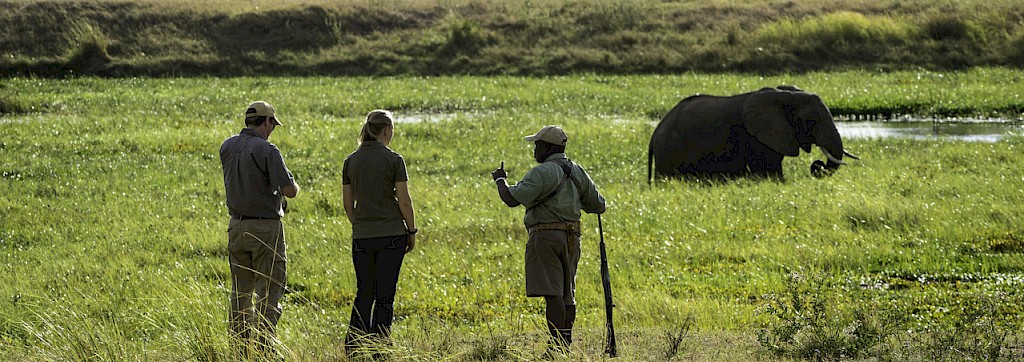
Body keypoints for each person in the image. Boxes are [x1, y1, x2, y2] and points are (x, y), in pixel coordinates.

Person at [491, 125, 606, 354]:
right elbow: (599, 205)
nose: (534, 150)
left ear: (547, 147)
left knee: (553, 294)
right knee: (567, 294)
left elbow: (512, 199)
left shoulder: (541, 172)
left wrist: (500, 180)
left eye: (537, 145)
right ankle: (566, 345)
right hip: (573, 237)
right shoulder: (577, 171)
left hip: (545, 236)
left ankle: (556, 349)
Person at [220, 101, 300, 358]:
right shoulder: (267, 149)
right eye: (272, 125)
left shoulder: (227, 146)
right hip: (265, 228)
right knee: (269, 290)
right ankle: (266, 349)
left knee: (240, 291)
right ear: (265, 122)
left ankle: (240, 349)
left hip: (236, 226)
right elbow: (290, 191)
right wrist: (292, 182)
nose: (272, 129)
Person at [342, 109, 417, 352]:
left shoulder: (351, 161)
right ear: (386, 130)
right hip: (392, 235)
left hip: (363, 235)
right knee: (385, 294)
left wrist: (360, 223)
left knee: (364, 291)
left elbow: (347, 203)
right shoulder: (394, 160)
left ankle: (353, 345)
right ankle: (380, 346)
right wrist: (411, 231)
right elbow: (404, 201)